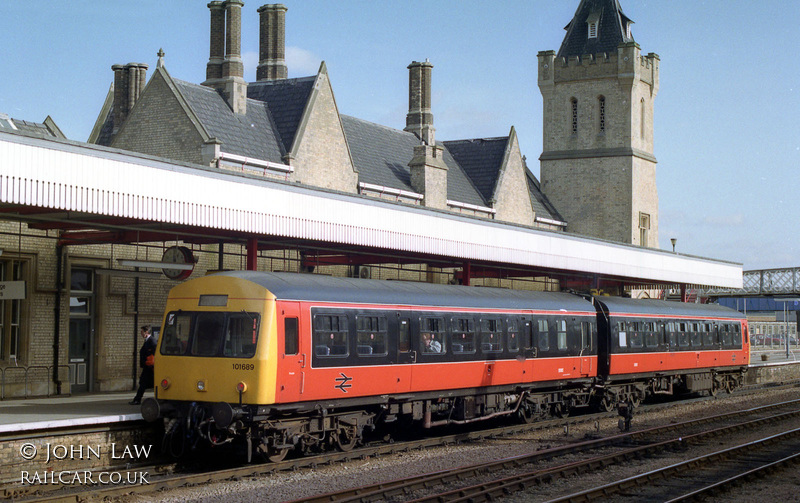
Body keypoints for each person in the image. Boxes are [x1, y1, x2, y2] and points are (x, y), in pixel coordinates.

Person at [130, 325, 156, 405]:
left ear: (146, 332)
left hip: (149, 367)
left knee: (143, 383)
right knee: (144, 383)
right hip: (147, 366)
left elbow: (154, 353)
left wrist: (149, 361)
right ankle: (137, 399)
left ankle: (137, 400)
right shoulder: (147, 341)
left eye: (142, 331)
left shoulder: (152, 341)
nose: (141, 333)